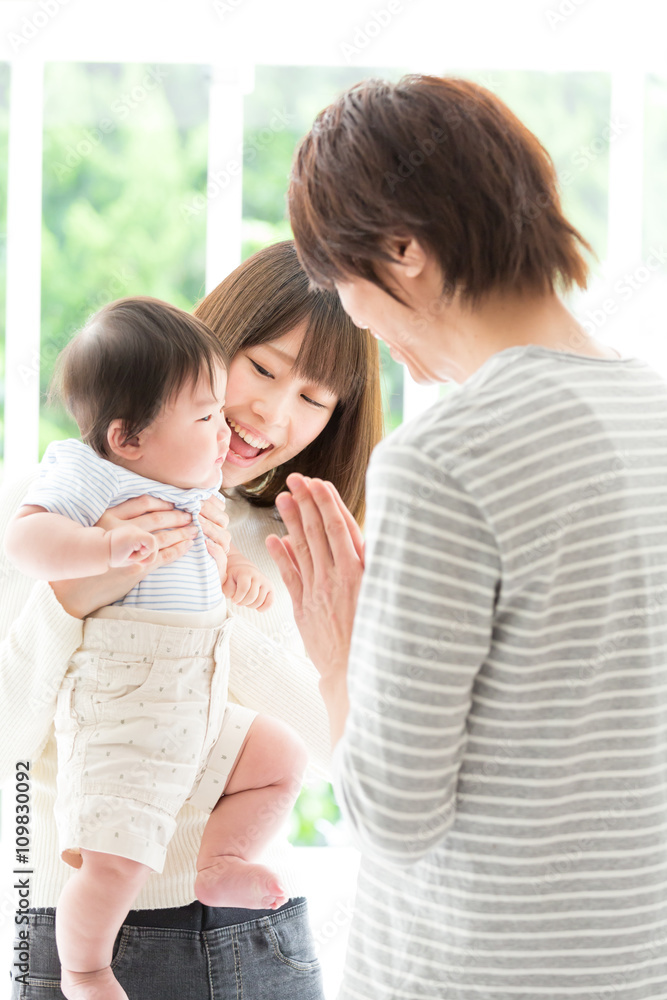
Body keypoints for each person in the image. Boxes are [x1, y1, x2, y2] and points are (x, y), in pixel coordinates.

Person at [268, 75, 667, 999]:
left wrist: (338, 653)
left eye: (342, 287)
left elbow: (395, 818)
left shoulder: (446, 457)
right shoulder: (654, 411)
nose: (358, 324)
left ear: (401, 250)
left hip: (472, 973)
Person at [1, 240, 383, 1000]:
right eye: (265, 369)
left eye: (314, 399)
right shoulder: (62, 509)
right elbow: (11, 735)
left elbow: (340, 755)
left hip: (252, 935)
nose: (271, 415)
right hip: (77, 931)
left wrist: (206, 602)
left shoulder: (294, 545)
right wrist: (84, 587)